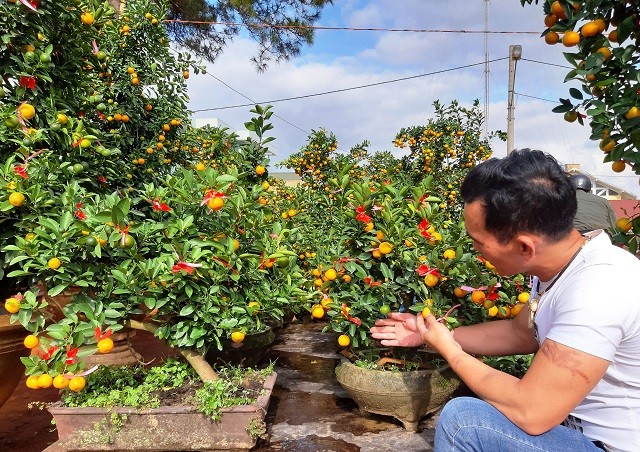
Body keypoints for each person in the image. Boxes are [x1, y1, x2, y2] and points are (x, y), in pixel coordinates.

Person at [370, 149, 640, 451]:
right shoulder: (561, 263)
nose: (474, 250)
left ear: (525, 247)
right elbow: (519, 333)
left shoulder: (599, 289)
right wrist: (430, 336)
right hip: (573, 431)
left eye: (478, 241)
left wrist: (452, 352)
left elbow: (531, 412)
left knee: (465, 422)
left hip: (611, 446)